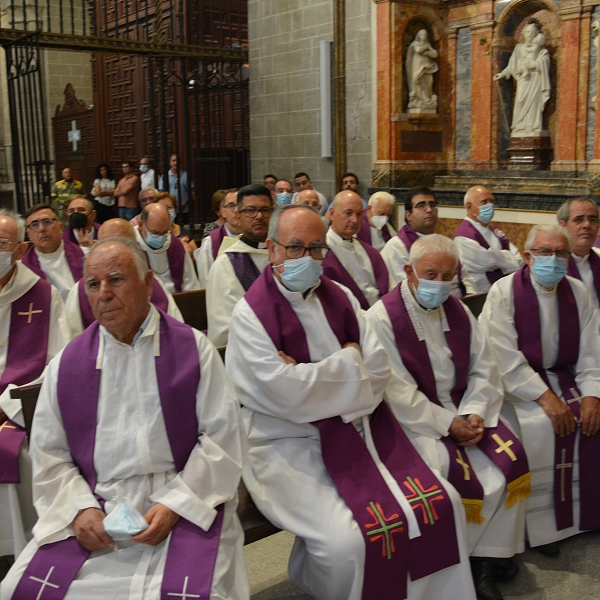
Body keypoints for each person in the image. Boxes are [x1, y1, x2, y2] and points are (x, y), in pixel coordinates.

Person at [226, 204, 476, 600]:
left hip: (364, 432)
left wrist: (317, 376)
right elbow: (285, 397)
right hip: (290, 446)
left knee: (442, 504)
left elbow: (378, 375)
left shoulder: (339, 295)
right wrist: (348, 360)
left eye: (315, 248)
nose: (307, 259)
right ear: (272, 250)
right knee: (347, 543)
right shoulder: (249, 316)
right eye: (295, 248)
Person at [1, 237, 249, 600]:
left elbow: (222, 438)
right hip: (99, 504)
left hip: (183, 499)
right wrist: (79, 508)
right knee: (14, 592)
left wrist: (174, 504)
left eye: (116, 279)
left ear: (148, 283)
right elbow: (49, 452)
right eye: (93, 284)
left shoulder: (193, 350)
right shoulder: (67, 366)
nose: (104, 294)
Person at [366, 234, 528, 600]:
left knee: (511, 458)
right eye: (430, 274)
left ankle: (488, 557)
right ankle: (458, 563)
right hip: (413, 423)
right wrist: (447, 423)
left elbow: (484, 369)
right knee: (443, 473)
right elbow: (396, 391)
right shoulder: (381, 318)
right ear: (408, 271)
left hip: (463, 411)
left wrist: (473, 413)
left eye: (446, 276)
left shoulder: (458, 311)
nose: (438, 284)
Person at [479, 225, 600, 557]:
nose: (553, 260)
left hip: (567, 375)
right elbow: (500, 356)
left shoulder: (578, 292)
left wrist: (592, 394)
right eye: (545, 252)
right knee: (538, 427)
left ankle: (587, 513)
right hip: (518, 386)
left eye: (561, 253)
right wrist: (546, 398)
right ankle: (544, 529)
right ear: (528, 255)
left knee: (592, 419)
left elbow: (592, 350)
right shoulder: (503, 293)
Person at [0, 209, 71, 559]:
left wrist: (11, 405)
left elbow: (59, 362)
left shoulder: (43, 295)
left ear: (17, 249)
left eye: (1, 244)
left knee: (18, 452)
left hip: (18, 407)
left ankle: (21, 547)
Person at [65, 218, 183, 335]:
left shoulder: (152, 283)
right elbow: (72, 342)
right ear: (95, 246)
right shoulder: (78, 292)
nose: (104, 294)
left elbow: (177, 333)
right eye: (107, 244)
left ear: (137, 247)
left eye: (123, 244)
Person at [206, 185, 272, 346]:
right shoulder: (225, 264)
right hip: (250, 351)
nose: (259, 216)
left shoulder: (284, 255)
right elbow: (224, 329)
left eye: (265, 210)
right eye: (250, 210)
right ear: (238, 215)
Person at [382, 187, 471, 297]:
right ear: (408, 215)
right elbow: (404, 289)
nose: (429, 210)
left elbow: (465, 276)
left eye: (432, 205)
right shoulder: (396, 247)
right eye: (421, 205)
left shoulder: (444, 243)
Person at [322, 191, 390, 310]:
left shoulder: (370, 252)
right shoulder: (321, 254)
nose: (354, 220)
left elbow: (387, 288)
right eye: (348, 213)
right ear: (332, 213)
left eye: (359, 214)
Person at [453, 186, 522, 293]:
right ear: (469, 207)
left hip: (505, 288)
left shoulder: (494, 231)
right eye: (484, 202)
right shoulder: (463, 237)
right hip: (482, 292)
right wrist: (506, 257)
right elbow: (488, 261)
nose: (490, 205)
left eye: (491, 201)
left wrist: (498, 258)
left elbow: (518, 259)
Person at [493, 19, 550, 137]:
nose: (530, 35)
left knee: (534, 103)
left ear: (536, 34)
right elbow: (511, 65)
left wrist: (537, 64)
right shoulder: (519, 48)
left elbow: (545, 61)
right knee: (520, 100)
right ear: (524, 33)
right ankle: (520, 126)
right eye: (527, 32)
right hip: (523, 81)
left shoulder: (541, 50)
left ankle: (532, 126)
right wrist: (502, 74)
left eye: (532, 32)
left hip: (535, 81)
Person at [21, 204, 84, 301]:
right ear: (29, 234)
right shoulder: (23, 268)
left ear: (60, 227)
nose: (41, 229)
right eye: (35, 225)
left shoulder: (83, 256)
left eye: (47, 222)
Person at [135, 203, 200, 294]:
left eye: (164, 232)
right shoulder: (132, 247)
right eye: (155, 233)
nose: (161, 238)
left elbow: (191, 284)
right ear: (141, 225)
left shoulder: (176, 245)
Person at [557, 197, 600, 311]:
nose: (587, 225)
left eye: (592, 219)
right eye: (579, 220)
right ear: (562, 226)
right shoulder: (551, 264)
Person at [194, 189, 242, 288]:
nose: (236, 210)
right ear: (222, 212)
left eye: (240, 205)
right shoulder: (210, 243)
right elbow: (206, 283)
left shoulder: (256, 238)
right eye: (231, 206)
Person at [406, 29, 439, 111]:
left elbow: (435, 54)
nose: (423, 36)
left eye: (425, 35)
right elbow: (418, 50)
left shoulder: (428, 44)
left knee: (429, 81)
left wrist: (428, 52)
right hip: (418, 65)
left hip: (427, 66)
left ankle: (427, 98)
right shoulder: (415, 44)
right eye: (422, 35)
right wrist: (427, 48)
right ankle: (420, 98)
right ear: (419, 36)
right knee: (419, 81)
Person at [159, 154, 191, 225]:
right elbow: (161, 192)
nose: (175, 163)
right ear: (170, 163)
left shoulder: (185, 175)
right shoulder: (165, 176)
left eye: (177, 161)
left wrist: (184, 204)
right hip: (169, 209)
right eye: (173, 161)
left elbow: (192, 192)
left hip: (183, 209)